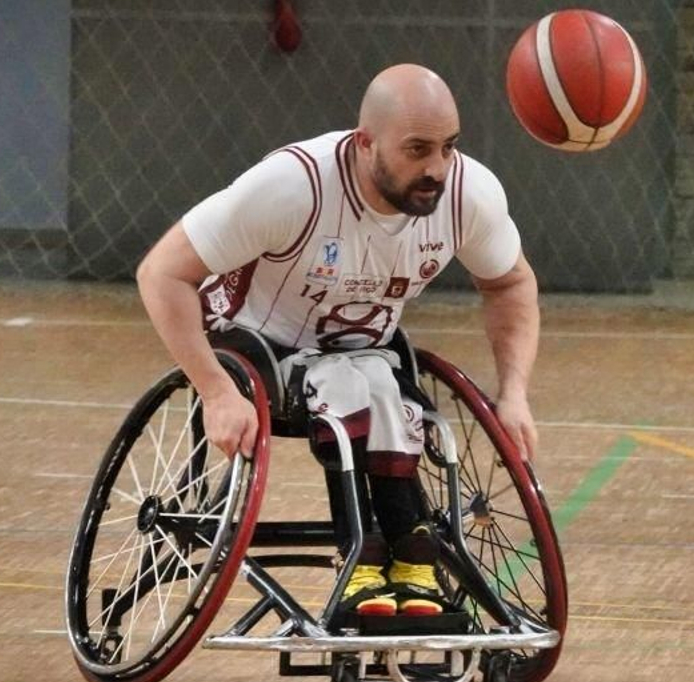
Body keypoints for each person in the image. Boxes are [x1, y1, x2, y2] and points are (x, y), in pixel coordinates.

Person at [136, 64, 540, 617]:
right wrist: (215, 391)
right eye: (418, 150)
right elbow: (161, 273)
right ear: (365, 142)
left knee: (383, 386)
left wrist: (513, 393)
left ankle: (415, 559)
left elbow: (510, 282)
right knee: (348, 381)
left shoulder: (468, 193)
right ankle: (363, 560)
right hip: (256, 344)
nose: (437, 169)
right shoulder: (292, 186)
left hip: (363, 350)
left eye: (448, 148)